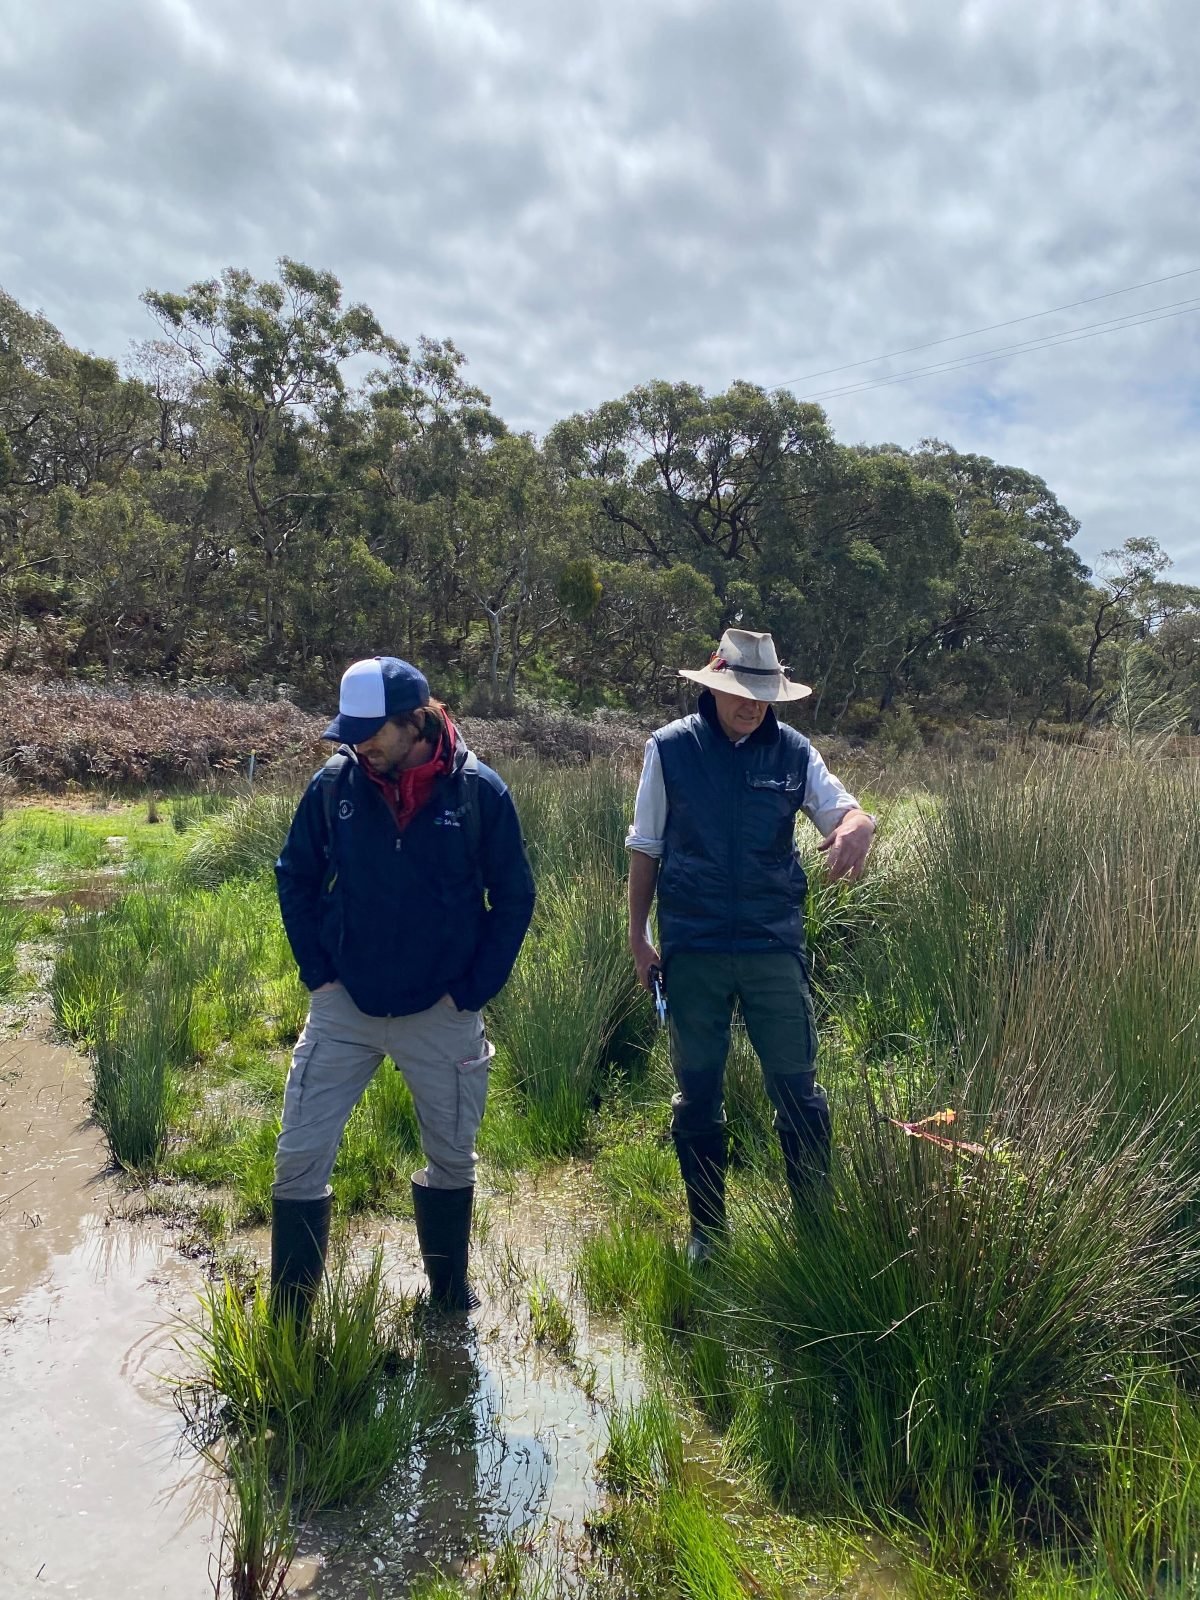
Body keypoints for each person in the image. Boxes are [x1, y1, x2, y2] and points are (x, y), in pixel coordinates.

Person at [272, 656, 536, 1316]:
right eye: (350, 733)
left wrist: (471, 993)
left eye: (372, 732)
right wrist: (320, 978)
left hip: (442, 1013)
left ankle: (449, 1304)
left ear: (415, 721)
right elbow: (294, 876)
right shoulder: (334, 787)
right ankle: (291, 1321)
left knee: (452, 1161)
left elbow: (514, 898)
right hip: (345, 1008)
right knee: (298, 1159)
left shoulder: (480, 795)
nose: (358, 745)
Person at [627, 629, 875, 1262]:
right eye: (743, 693)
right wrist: (639, 935)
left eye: (765, 696)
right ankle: (708, 1231)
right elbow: (646, 846)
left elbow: (843, 810)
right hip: (694, 946)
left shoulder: (793, 754)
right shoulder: (670, 750)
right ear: (715, 688)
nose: (755, 706)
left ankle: (814, 1235)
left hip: (772, 946)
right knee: (698, 1093)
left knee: (799, 1090)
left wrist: (857, 828)